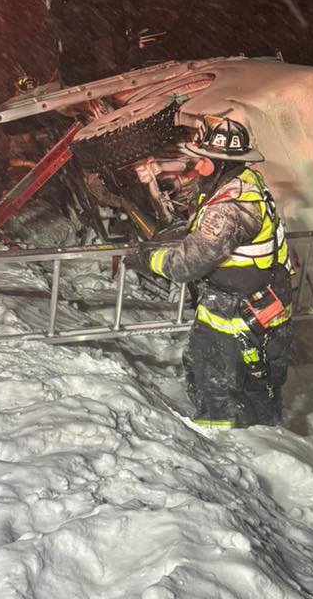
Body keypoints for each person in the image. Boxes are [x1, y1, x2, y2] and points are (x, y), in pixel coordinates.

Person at [125, 117, 292, 430]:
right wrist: (160, 173)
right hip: (256, 306)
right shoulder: (243, 181)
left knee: (219, 389)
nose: (196, 164)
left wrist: (146, 259)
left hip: (235, 317)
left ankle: (228, 451)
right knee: (257, 390)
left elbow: (187, 264)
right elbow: (194, 185)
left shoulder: (229, 208)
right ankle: (264, 440)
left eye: (202, 159)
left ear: (217, 163)